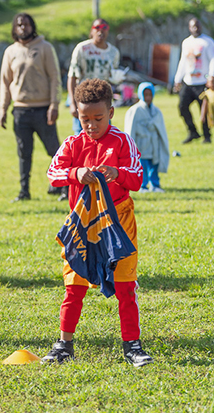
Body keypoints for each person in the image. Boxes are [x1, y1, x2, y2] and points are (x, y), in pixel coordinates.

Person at [45, 78, 153, 367]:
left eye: (98, 118)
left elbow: (137, 177)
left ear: (111, 113)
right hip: (83, 223)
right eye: (84, 119)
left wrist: (116, 173)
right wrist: (76, 173)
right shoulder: (72, 143)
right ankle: (64, 344)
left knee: (125, 285)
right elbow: (53, 172)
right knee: (74, 285)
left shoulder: (122, 141)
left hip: (118, 223)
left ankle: (132, 345)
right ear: (77, 115)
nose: (91, 125)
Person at [0, 13, 62, 202]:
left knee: (54, 150)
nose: (22, 27)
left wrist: (54, 104)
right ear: (14, 28)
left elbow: (55, 78)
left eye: (26, 24)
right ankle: (24, 191)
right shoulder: (10, 52)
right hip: (20, 110)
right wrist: (3, 108)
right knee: (24, 153)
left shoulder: (45, 48)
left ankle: (63, 187)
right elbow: (5, 82)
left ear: (32, 26)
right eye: (19, 24)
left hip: (43, 109)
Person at [67, 18, 120, 136]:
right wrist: (72, 102)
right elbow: (72, 76)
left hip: (102, 101)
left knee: (104, 137)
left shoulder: (113, 52)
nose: (101, 31)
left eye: (104, 28)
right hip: (84, 101)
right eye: (97, 28)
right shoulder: (82, 49)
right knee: (81, 138)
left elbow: (112, 76)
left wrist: (117, 79)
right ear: (92, 31)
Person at [173, 17, 214, 145]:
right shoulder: (186, 42)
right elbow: (183, 61)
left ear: (201, 27)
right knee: (182, 106)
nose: (195, 28)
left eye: (197, 26)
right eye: (193, 26)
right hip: (189, 82)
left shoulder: (207, 42)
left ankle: (207, 135)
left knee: (204, 110)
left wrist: (211, 75)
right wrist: (177, 79)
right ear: (189, 28)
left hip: (202, 82)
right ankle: (192, 132)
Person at [124, 82, 169, 193]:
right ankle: (142, 185)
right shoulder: (134, 110)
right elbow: (130, 129)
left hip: (154, 144)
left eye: (150, 95)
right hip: (141, 144)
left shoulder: (156, 111)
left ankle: (155, 184)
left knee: (154, 164)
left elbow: (161, 128)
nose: (148, 97)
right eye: (145, 95)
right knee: (142, 165)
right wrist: (131, 148)